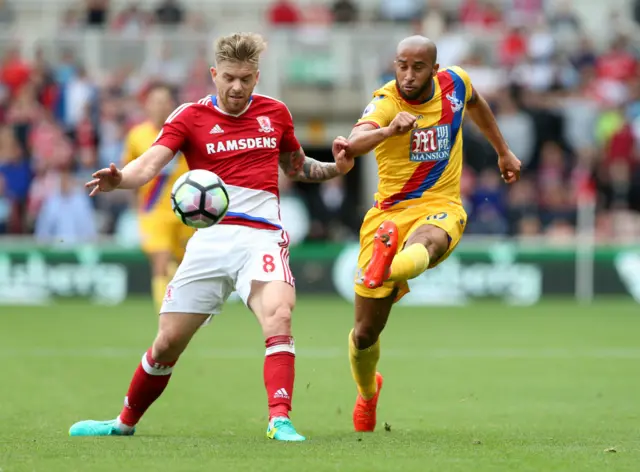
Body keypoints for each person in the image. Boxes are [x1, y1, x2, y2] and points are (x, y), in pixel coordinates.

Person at [70, 32, 346, 442]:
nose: (237, 87)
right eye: (229, 77)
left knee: (279, 314)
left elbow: (296, 166)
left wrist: (335, 168)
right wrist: (120, 179)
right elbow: (148, 165)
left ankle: (279, 419)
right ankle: (123, 422)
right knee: (166, 343)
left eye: (246, 79)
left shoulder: (277, 113)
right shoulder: (189, 117)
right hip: (210, 240)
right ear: (215, 74)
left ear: (256, 77)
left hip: (262, 237)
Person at [332, 35, 522, 432]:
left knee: (428, 242)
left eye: (418, 67)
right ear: (395, 64)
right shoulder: (386, 102)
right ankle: (368, 392)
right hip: (388, 214)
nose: (408, 74)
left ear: (434, 70)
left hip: (441, 206)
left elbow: (477, 104)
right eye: (402, 65)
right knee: (365, 333)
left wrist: (503, 150)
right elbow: (353, 142)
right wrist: (387, 132)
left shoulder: (456, 83)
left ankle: (389, 264)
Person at [122, 83, 194, 312]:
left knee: (184, 265)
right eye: (155, 101)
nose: (160, 106)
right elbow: (130, 172)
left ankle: (184, 306)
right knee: (161, 262)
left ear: (172, 105)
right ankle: (166, 313)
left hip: (186, 209)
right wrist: (137, 211)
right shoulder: (137, 135)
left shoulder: (187, 133)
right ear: (146, 105)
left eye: (164, 101)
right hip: (153, 211)